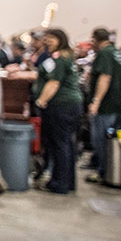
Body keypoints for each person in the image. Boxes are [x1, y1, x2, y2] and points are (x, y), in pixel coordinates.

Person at [34, 28, 83, 194]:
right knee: (66, 144)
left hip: (62, 105)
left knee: (59, 144)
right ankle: (67, 181)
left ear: (60, 40)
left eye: (51, 38)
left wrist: (41, 101)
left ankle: (60, 183)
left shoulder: (60, 58)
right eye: (46, 38)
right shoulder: (66, 57)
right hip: (70, 105)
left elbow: (54, 83)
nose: (47, 41)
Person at [85, 27, 121, 183]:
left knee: (101, 140)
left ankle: (103, 172)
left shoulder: (104, 53)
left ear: (96, 40)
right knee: (117, 141)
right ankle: (117, 174)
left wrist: (96, 102)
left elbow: (105, 77)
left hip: (107, 105)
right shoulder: (120, 53)